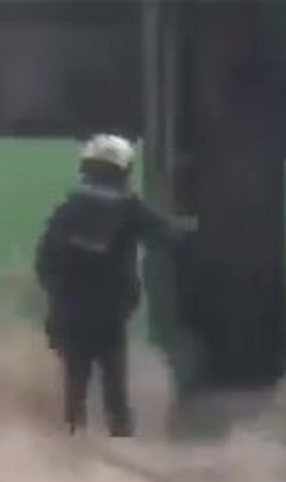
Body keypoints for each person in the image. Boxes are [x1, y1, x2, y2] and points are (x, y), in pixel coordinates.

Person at [35, 134, 193, 437]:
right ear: (124, 171)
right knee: (114, 384)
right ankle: (118, 436)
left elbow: (46, 259)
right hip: (111, 312)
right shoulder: (130, 209)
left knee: (75, 380)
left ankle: (71, 439)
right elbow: (168, 237)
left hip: (70, 310)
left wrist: (56, 294)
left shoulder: (69, 209)